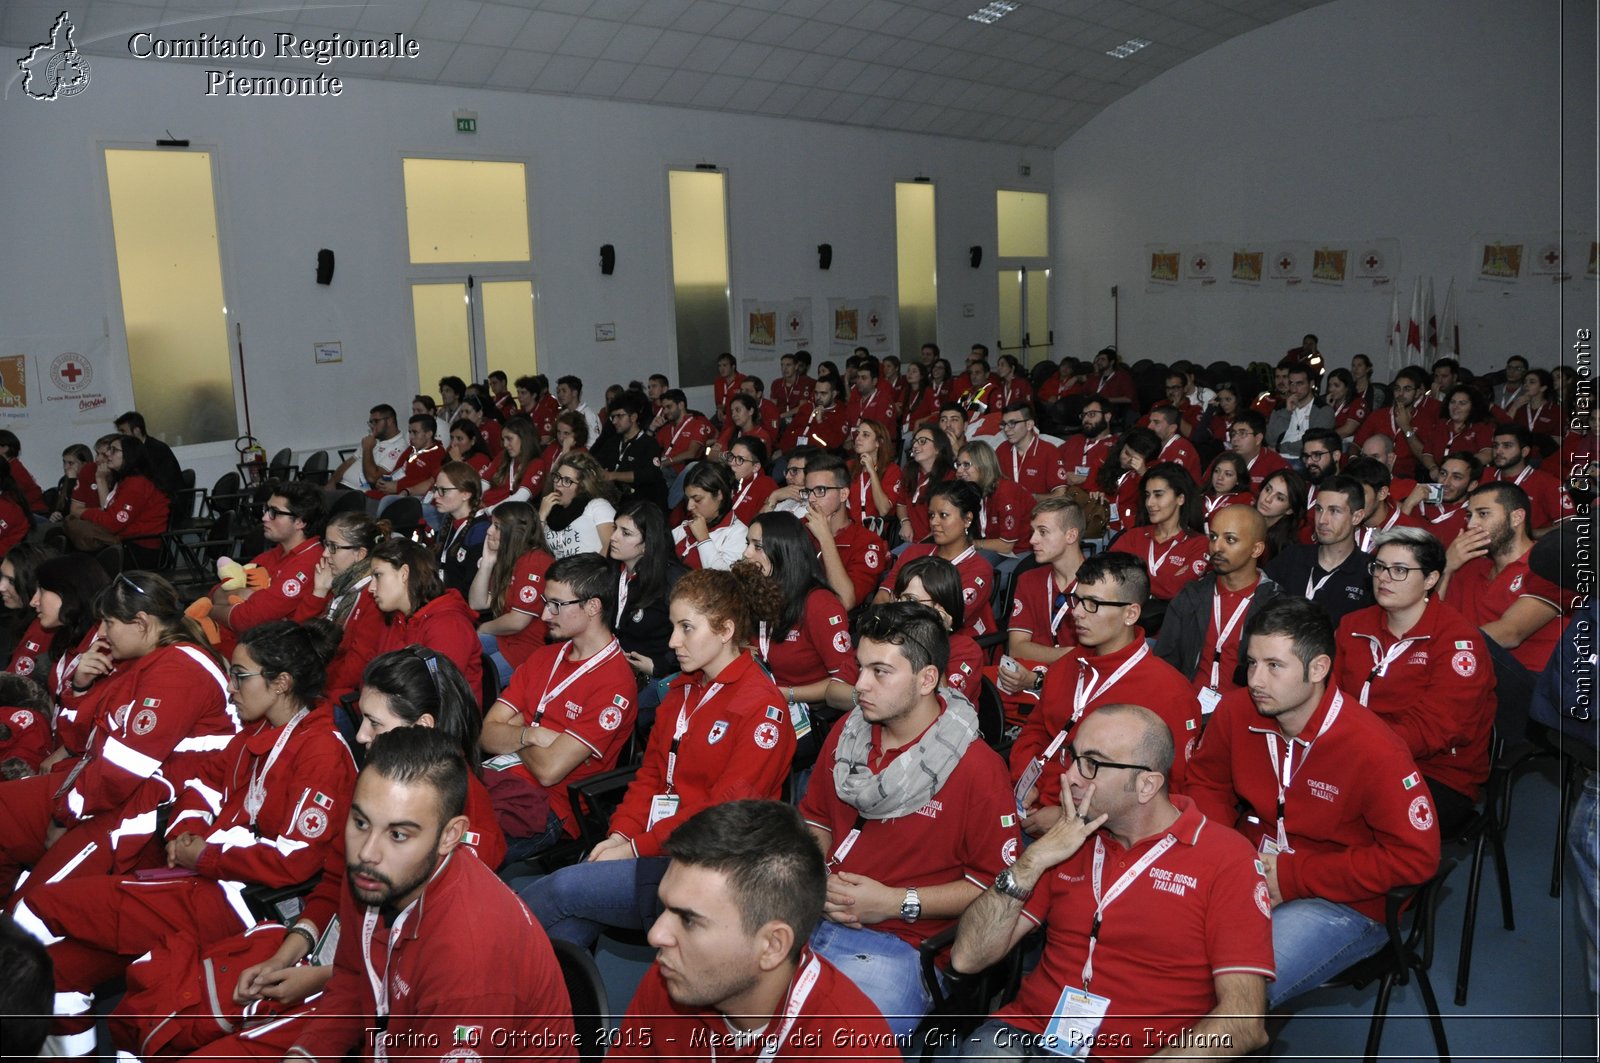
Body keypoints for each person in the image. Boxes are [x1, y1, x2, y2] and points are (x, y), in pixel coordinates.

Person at [15, 621, 351, 1056]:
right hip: (200, 880)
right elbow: (203, 784)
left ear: (281, 683)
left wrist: (205, 854)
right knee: (61, 972)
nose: (230, 687)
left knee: (45, 903)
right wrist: (186, 831)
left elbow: (295, 859)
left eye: (240, 675)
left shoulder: (322, 750)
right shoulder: (258, 728)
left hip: (239, 902)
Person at [952, 705, 1273, 1060]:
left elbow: (1243, 1022)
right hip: (1025, 1034)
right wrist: (1031, 862)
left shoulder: (1226, 858)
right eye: (1072, 757)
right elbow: (968, 957)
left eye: (1092, 764)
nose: (1070, 776)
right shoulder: (1068, 841)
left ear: (1146, 784)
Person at [1186, 597, 1441, 1007]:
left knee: (1225, 993)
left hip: (1342, 898)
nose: (1255, 680)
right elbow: (1207, 781)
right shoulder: (1238, 712)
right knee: (1159, 953)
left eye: (1274, 666)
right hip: (1250, 866)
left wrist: (1292, 876)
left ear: (1318, 668)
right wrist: (1223, 852)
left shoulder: (1373, 749)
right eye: (1251, 663)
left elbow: (1414, 859)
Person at [523, 568, 794, 948]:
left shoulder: (761, 709)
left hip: (711, 864)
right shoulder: (683, 691)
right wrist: (619, 835)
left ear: (725, 630)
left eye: (686, 628)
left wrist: (633, 849)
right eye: (673, 626)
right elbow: (650, 776)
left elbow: (720, 815)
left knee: (561, 890)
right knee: (569, 926)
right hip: (658, 845)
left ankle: (482, 962)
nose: (673, 642)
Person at [272, 727, 574, 1060]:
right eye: (360, 822)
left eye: (398, 834)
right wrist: (307, 1053)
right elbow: (353, 976)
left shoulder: (467, 958)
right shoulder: (377, 873)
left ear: (450, 836)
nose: (367, 852)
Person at [800, 602, 1018, 1037]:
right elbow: (816, 821)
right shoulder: (848, 734)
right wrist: (817, 873)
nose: (859, 685)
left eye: (880, 672)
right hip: (812, 913)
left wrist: (896, 902)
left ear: (926, 679)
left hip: (902, 945)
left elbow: (991, 885)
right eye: (860, 667)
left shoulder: (976, 768)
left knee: (834, 1044)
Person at [0, 572, 234, 902]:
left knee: (33, 907)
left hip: (140, 809)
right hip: (95, 787)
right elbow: (82, 740)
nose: (104, 634)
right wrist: (80, 685)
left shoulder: (179, 670)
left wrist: (63, 816)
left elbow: (122, 772)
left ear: (141, 622)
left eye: (109, 623)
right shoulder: (141, 660)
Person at [621, 800, 897, 1060]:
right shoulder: (671, 980)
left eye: (689, 920)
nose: (656, 935)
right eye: (665, 908)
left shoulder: (852, 1049)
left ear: (772, 946)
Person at [1011, 553, 1201, 836]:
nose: (1077, 612)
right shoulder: (1066, 666)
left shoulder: (1169, 692)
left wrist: (1074, 819)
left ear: (1130, 614)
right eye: (1077, 600)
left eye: (1094, 604)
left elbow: (1164, 793)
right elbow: (1036, 731)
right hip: (1030, 805)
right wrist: (1025, 784)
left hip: (1101, 833)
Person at [1336, 528, 1497, 836]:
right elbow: (1327, 696)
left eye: (1399, 570)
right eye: (1379, 567)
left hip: (1434, 772)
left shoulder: (1457, 640)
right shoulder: (1353, 625)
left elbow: (1436, 728)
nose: (1384, 577)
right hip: (1354, 754)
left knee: (1339, 811)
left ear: (1431, 580)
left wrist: (1358, 749)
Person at [481, 553, 638, 859]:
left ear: (592, 607)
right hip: (495, 778)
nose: (544, 614)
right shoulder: (543, 657)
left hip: (545, 808)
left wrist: (515, 729)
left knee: (446, 850)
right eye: (544, 601)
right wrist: (532, 735)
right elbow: (485, 734)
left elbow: (550, 772)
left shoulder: (614, 683)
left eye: (556, 605)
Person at [1155, 505, 1284, 708]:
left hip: (1247, 713)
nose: (1217, 547)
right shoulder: (1191, 595)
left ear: (1256, 549)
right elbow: (1165, 662)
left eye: (1230, 539)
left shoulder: (1276, 606)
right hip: (1188, 705)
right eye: (1214, 537)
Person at [1439, 481, 1568, 683]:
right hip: (1473, 673)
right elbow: (1433, 619)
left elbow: (1511, 633)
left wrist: (1444, 647)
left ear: (1516, 517)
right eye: (1469, 516)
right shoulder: (1467, 566)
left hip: (1529, 683)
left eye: (1483, 514)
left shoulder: (1549, 564)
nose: (1471, 525)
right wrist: (1446, 568)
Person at [742, 513, 857, 714]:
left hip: (806, 710)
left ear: (784, 551)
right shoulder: (759, 591)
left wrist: (788, 693)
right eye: (748, 544)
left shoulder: (819, 604)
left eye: (757, 546)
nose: (746, 553)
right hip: (763, 696)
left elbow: (843, 682)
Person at [205, 479, 326, 651]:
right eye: (266, 509)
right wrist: (240, 592)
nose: (264, 517)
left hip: (257, 655)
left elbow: (246, 620)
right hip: (230, 641)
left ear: (300, 522)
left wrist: (211, 609)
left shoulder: (309, 562)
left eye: (274, 513)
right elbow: (217, 588)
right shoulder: (275, 553)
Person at [992, 497, 1086, 712]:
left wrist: (1041, 671)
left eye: (1043, 532)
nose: (1033, 540)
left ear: (1071, 535)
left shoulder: (1099, 584)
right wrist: (1070, 653)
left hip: (1078, 682)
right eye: (1033, 531)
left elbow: (1095, 658)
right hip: (1030, 676)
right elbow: (1017, 647)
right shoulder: (1029, 579)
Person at [367, 537, 483, 698]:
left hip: (437, 720)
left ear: (404, 574)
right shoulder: (397, 618)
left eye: (378, 575)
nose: (371, 588)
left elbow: (434, 695)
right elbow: (373, 677)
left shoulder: (449, 625)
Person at [1266, 474, 1375, 625]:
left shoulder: (1370, 572)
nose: (1322, 520)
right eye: (1319, 509)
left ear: (1357, 517)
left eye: (1334, 511)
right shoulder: (1292, 557)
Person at [471, 501, 554, 688]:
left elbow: (517, 621)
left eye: (497, 527)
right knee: (458, 651)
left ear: (515, 532)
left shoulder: (536, 562)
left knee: (475, 683)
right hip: (505, 639)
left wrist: (483, 628)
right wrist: (487, 563)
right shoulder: (512, 557)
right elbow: (477, 602)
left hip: (527, 649)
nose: (489, 531)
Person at [1108, 463, 1208, 609]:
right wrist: (1161, 581)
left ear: (1180, 498)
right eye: (1147, 495)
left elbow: (1175, 588)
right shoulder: (1134, 536)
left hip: (1175, 626)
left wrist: (1132, 577)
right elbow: (1109, 574)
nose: (1149, 502)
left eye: (1158, 495)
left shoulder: (1199, 543)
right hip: (1129, 624)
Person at [801, 452, 889, 611]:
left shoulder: (867, 542)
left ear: (843, 494)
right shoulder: (800, 527)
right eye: (808, 491)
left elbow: (845, 602)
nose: (812, 499)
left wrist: (825, 538)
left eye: (820, 490)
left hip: (829, 624)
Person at [611, 501, 686, 683]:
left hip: (656, 680)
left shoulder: (672, 579)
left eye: (625, 533)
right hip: (618, 669)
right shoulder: (613, 572)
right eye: (615, 528)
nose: (613, 537)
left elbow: (693, 630)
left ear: (647, 544)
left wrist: (661, 666)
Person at [889, 556, 984, 699]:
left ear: (940, 609)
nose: (899, 605)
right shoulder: (887, 635)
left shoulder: (966, 650)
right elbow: (843, 684)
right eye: (898, 597)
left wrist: (935, 636)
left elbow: (944, 707)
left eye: (911, 600)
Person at [23, 556, 109, 706]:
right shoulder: (69, 634)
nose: (33, 602)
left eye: (41, 591)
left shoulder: (105, 647)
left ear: (68, 593)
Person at [62, 434, 171, 552]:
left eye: (113, 450)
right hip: (128, 540)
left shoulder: (137, 484)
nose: (108, 454)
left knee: (78, 547)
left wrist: (84, 513)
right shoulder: (127, 480)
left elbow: (112, 523)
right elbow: (110, 513)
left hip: (140, 546)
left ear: (129, 455)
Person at [1483, 423, 1574, 534]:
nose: (1498, 451)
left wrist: (1529, 534)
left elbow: (1570, 524)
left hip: (1529, 548)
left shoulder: (1548, 483)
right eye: (1496, 445)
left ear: (1524, 452)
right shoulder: (1484, 475)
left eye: (1507, 446)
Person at [956, 440, 1034, 556]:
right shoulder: (974, 490)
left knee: (976, 567)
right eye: (958, 465)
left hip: (1021, 550)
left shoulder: (1005, 492)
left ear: (983, 465)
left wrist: (970, 543)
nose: (959, 471)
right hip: (993, 547)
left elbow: (1006, 545)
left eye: (966, 465)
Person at [1356, 366, 1435, 480]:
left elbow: (1424, 457)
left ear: (1418, 393)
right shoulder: (1378, 415)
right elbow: (1357, 444)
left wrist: (1406, 428)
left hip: (1406, 479)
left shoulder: (1425, 419)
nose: (1401, 394)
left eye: (1407, 389)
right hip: (1374, 475)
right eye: (1397, 389)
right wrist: (1353, 459)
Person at [595, 393, 667, 511]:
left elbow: (650, 474)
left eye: (619, 416)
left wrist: (613, 475)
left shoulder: (649, 443)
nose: (614, 421)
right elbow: (598, 464)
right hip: (616, 503)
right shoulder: (612, 443)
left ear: (633, 417)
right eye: (613, 417)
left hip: (643, 505)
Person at [673, 460, 749, 571]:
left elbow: (725, 580)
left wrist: (704, 540)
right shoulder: (689, 523)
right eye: (687, 499)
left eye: (697, 499)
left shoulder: (739, 533)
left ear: (719, 495)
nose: (689, 506)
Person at [542, 451, 618, 558]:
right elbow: (538, 549)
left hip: (591, 572)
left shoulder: (598, 506)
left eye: (567, 481)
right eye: (557, 477)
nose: (558, 484)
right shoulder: (550, 509)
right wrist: (541, 516)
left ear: (582, 486)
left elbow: (610, 547)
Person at [3, 543, 62, 682]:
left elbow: (13, 687)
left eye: (11, 581)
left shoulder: (42, 629)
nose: (1, 587)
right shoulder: (29, 620)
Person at [366, 414, 445, 517]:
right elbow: (397, 470)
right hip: (393, 491)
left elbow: (432, 481)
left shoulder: (438, 454)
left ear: (428, 434)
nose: (411, 437)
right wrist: (384, 480)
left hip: (411, 497)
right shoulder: (411, 449)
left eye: (415, 433)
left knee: (378, 502)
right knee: (365, 497)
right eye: (410, 432)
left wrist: (399, 487)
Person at [432, 461, 490, 597]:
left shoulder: (481, 531)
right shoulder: (449, 521)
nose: (435, 496)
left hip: (461, 607)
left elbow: (471, 589)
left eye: (443, 490)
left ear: (466, 494)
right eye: (436, 489)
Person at [1345, 455, 1425, 554]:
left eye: (1361, 493)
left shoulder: (1410, 534)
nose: (1352, 501)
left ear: (1382, 493)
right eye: (1347, 493)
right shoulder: (1342, 524)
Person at [897, 424, 955, 545]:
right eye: (915, 442)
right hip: (913, 542)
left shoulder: (949, 477)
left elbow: (947, 520)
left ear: (938, 448)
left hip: (938, 544)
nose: (915, 446)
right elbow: (901, 503)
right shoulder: (909, 470)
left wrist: (921, 546)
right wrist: (905, 521)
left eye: (922, 441)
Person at [994, 402, 1067, 498]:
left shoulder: (1049, 452)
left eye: (1012, 423)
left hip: (1037, 511)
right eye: (1004, 424)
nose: (1006, 429)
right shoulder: (1001, 450)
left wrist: (1030, 498)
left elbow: (1061, 494)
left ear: (1029, 425)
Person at [1265, 363, 1335, 460]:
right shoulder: (1280, 408)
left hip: (1305, 460)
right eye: (1291, 383)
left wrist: (1280, 448)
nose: (1294, 388)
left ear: (1311, 384)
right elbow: (1270, 439)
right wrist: (1287, 412)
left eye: (1299, 383)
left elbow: (1313, 443)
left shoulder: (1323, 410)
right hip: (1278, 458)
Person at [110, 411, 183, 499]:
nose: (121, 436)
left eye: (123, 431)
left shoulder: (157, 449)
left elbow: (159, 483)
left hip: (167, 500)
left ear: (136, 431)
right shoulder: (138, 449)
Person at [847, 418, 905, 528]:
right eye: (858, 434)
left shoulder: (892, 470)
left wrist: (872, 472)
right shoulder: (849, 466)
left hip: (876, 532)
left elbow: (883, 510)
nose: (858, 438)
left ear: (879, 442)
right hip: (850, 529)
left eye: (865, 435)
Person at [335, 404, 407, 491]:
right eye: (370, 422)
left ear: (389, 421)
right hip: (341, 485)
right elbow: (350, 461)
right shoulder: (373, 438)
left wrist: (367, 448)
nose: (372, 426)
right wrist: (331, 483)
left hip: (356, 493)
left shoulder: (399, 447)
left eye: (376, 421)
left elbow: (373, 479)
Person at [482, 414, 546, 508]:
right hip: (483, 508)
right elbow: (484, 484)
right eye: (503, 440)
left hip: (502, 514)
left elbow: (521, 497)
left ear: (523, 438)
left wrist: (488, 511)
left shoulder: (536, 463)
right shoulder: (503, 455)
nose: (505, 444)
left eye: (509, 439)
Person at [654, 389, 716, 476]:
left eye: (669, 407)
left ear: (681, 405)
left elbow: (691, 454)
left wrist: (665, 463)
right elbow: (650, 447)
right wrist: (652, 427)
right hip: (665, 468)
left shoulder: (697, 424)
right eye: (664, 408)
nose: (665, 411)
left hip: (681, 471)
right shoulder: (666, 428)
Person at [781, 376, 851, 452]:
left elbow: (835, 444)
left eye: (823, 393)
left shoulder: (841, 413)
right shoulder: (807, 407)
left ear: (834, 394)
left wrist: (820, 421)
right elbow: (790, 430)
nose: (818, 397)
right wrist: (783, 450)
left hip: (818, 457)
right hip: (794, 452)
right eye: (816, 393)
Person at [1254, 467, 1309, 560]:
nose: (1267, 499)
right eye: (1267, 489)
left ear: (1290, 510)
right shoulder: (1240, 517)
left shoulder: (1287, 549)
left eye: (1279, 498)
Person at [1497, 367, 1564, 439]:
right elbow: (1502, 430)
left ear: (1543, 388)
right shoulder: (1516, 405)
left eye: (1532, 382)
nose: (1526, 385)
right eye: (1525, 382)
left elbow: (1558, 440)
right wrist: (1514, 407)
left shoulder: (1556, 411)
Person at [1148, 404, 1203, 481]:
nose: (1149, 426)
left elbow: (1170, 483)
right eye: (1150, 422)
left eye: (1156, 422)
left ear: (1172, 428)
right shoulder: (1157, 446)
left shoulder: (1181, 447)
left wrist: (1142, 472)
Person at [1203, 451, 1254, 518]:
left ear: (1238, 479)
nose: (1220, 477)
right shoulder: (1201, 496)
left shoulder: (1244, 500)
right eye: (1216, 471)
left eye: (1228, 474)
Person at [1323, 367, 1369, 439]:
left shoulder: (1358, 402)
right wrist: (1328, 409)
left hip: (1349, 443)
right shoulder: (1328, 403)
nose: (1331, 389)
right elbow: (1321, 427)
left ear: (1347, 387)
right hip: (1330, 441)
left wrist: (1323, 436)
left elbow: (1348, 430)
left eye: (1336, 385)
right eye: (1330, 385)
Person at [556, 373, 601, 443]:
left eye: (564, 391)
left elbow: (595, 442)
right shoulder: (563, 414)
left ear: (574, 393)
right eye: (558, 391)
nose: (560, 395)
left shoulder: (588, 415)